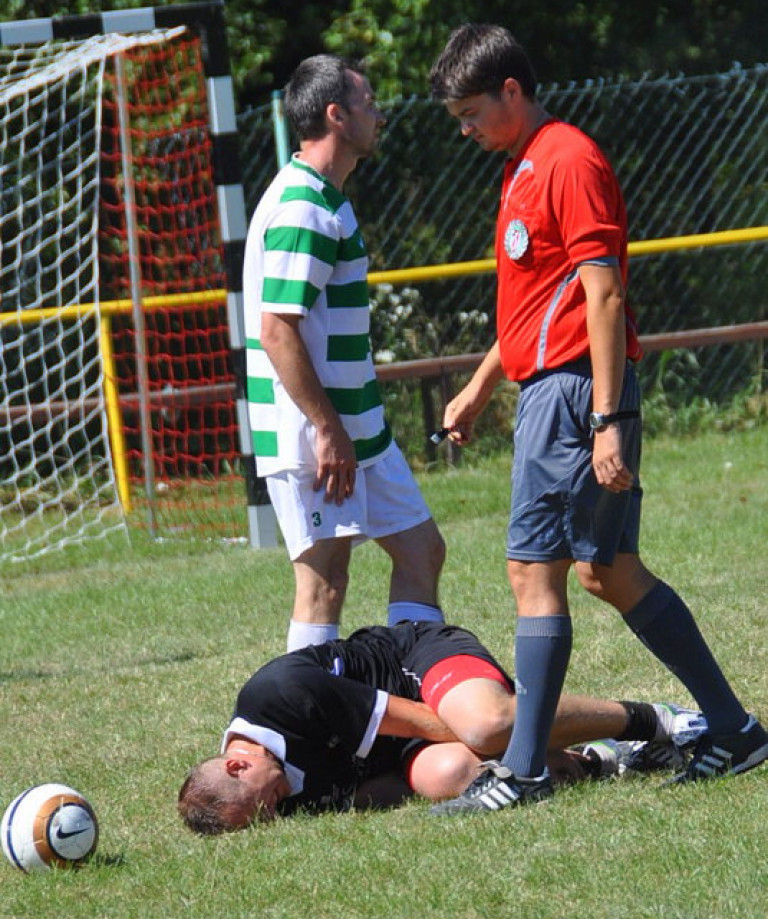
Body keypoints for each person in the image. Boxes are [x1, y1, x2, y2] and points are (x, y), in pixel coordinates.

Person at [426, 24, 768, 814]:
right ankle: (734, 728)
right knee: (605, 569)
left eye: (474, 112)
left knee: (532, 573)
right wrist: (481, 386)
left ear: (513, 91)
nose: (467, 129)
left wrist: (608, 416)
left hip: (575, 393)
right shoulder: (520, 169)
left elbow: (603, 294)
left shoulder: (567, 159)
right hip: (558, 385)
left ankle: (523, 772)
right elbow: (532, 304)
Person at [243, 55, 445, 652]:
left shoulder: (327, 198)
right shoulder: (303, 208)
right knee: (323, 583)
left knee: (421, 548)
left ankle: (415, 681)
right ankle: (298, 730)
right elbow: (278, 330)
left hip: (359, 431)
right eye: (369, 103)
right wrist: (326, 428)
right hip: (317, 436)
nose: (379, 114)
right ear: (337, 115)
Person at [177, 620, 705, 833]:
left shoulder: (279, 697)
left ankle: (657, 722)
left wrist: (508, 747)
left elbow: (425, 721)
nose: (277, 812)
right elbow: (377, 790)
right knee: (452, 774)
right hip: (407, 743)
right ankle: (605, 760)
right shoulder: (273, 789)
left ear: (239, 763)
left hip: (418, 663)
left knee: (483, 725)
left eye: (263, 806)